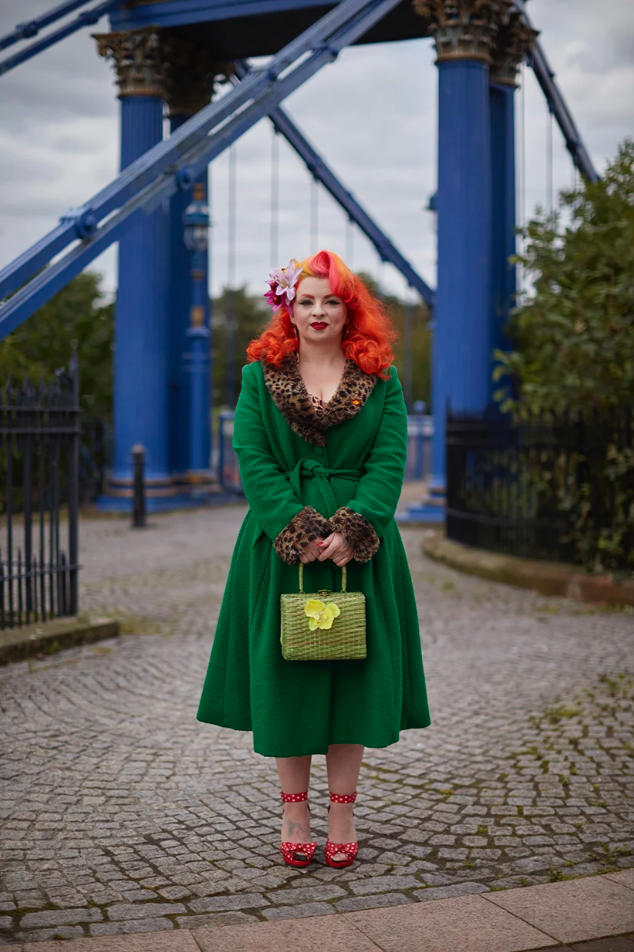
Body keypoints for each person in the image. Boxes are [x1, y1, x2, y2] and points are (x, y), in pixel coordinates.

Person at [197, 250, 431, 869]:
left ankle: (344, 809)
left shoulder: (381, 379)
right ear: (288, 309)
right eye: (307, 300)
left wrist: (357, 525)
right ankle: (294, 808)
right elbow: (254, 459)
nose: (319, 311)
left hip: (364, 547)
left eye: (331, 300)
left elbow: (389, 459)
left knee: (352, 677)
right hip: (281, 548)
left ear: (349, 308)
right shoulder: (258, 377)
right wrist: (294, 526)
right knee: (290, 675)